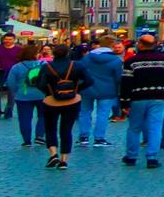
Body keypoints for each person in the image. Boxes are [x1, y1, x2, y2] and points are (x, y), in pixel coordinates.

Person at [119, 34, 164, 169]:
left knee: (134, 128)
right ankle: (152, 158)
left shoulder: (131, 62)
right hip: (160, 97)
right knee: (155, 127)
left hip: (137, 98)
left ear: (140, 44)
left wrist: (124, 102)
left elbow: (126, 83)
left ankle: (131, 156)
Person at [36, 41, 89, 170]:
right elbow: (89, 81)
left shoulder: (46, 67)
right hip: (72, 101)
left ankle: (53, 154)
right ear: (68, 53)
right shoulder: (76, 66)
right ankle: (64, 161)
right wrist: (76, 89)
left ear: (53, 53)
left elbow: (40, 84)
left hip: (51, 101)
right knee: (66, 130)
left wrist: (50, 92)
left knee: (50, 128)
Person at [73, 34, 121, 147]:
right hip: (107, 90)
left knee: (84, 112)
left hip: (86, 89)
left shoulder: (87, 57)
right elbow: (118, 78)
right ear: (112, 45)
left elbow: (79, 71)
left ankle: (83, 137)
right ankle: (99, 139)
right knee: (103, 114)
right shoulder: (115, 60)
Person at [9, 43, 45, 147]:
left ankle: (26, 140)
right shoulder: (44, 64)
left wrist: (17, 92)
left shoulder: (16, 67)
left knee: (24, 118)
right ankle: (39, 136)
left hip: (23, 96)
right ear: (35, 54)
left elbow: (11, 83)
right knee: (43, 116)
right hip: (42, 94)